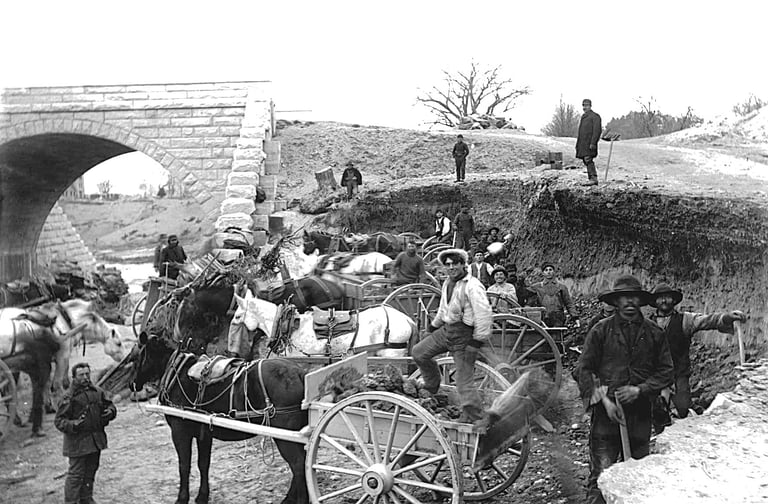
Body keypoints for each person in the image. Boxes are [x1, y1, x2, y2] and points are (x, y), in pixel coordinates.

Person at [578, 275, 674, 504]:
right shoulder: (601, 331)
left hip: (640, 415)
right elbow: (583, 369)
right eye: (624, 297)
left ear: (640, 301)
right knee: (602, 477)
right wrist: (604, 400)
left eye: (634, 297)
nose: (629, 302)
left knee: (638, 479)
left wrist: (640, 390)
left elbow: (666, 371)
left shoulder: (654, 333)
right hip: (606, 417)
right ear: (616, 302)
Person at [413, 248, 492, 424]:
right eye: (447, 265)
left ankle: (476, 418)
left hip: (464, 336)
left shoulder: (472, 285)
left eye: (455, 263)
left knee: (464, 382)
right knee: (419, 352)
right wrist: (433, 327)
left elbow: (484, 314)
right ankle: (432, 385)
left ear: (463, 265)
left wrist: (476, 342)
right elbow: (443, 309)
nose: (451, 267)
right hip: (447, 330)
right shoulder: (448, 283)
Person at [648, 283, 746, 421]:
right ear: (654, 302)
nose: (664, 301)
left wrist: (726, 317)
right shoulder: (647, 324)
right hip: (654, 376)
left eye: (667, 297)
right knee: (654, 412)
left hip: (678, 375)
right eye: (660, 298)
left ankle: (694, 414)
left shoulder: (685, 320)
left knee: (683, 410)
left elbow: (707, 320)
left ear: (674, 300)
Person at [54, 363, 117, 504]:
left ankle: (86, 499)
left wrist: (110, 412)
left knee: (90, 472)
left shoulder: (97, 392)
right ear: (74, 378)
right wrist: (73, 425)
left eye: (87, 374)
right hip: (78, 443)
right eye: (81, 375)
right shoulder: (68, 397)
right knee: (75, 475)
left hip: (95, 441)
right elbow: (59, 421)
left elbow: (110, 405)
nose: (85, 378)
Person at [529, 262, 579, 327]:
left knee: (557, 336)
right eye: (546, 270)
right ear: (543, 273)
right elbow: (528, 299)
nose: (548, 272)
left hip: (558, 318)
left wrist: (575, 317)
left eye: (550, 270)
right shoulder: (537, 287)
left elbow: (568, 303)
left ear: (554, 272)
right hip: (543, 318)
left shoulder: (561, 287)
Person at [576, 98, 602, 186]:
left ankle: (593, 179)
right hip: (583, 144)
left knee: (588, 159)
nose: (584, 107)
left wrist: (593, 143)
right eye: (583, 105)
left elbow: (597, 131)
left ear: (590, 106)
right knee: (585, 160)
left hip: (590, 143)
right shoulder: (584, 117)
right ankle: (591, 178)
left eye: (586, 105)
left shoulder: (595, 116)